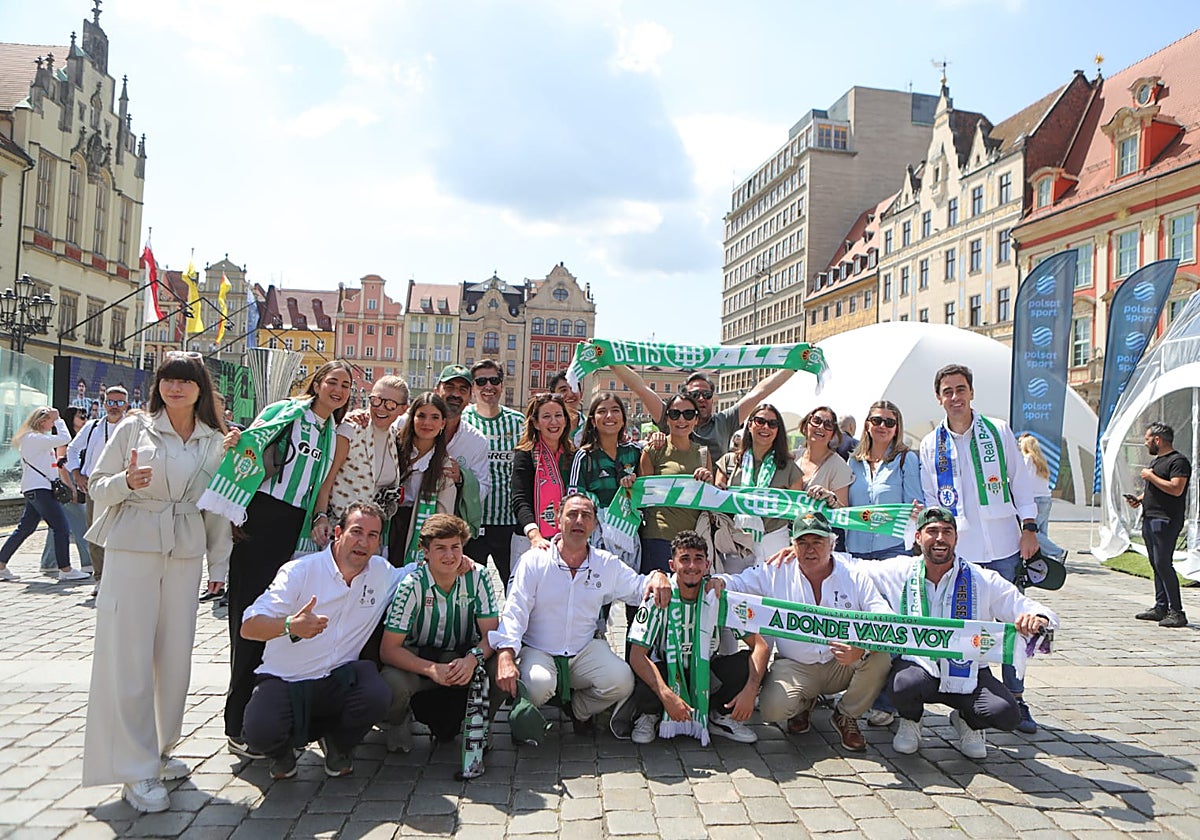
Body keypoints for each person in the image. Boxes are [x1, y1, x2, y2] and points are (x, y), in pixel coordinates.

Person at [81, 353, 232, 812]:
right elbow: (96, 485)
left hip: (184, 553)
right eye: (169, 379)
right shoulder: (134, 427)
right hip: (133, 548)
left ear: (200, 388)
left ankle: (159, 750)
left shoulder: (215, 440)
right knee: (128, 655)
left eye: (186, 381)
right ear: (159, 385)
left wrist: (218, 567)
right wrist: (126, 481)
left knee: (174, 659)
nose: (176, 388)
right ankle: (134, 766)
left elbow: (218, 505)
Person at [222, 360, 353, 760]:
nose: (338, 389)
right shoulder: (285, 411)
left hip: (294, 527)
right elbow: (249, 444)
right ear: (317, 383)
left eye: (346, 385)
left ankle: (263, 714)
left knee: (281, 619)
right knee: (247, 619)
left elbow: (323, 487)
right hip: (262, 515)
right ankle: (236, 722)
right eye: (332, 381)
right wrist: (234, 446)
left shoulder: (332, 434)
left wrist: (320, 517)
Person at [864, 507, 1059, 760]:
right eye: (931, 531)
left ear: (956, 538)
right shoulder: (900, 570)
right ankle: (911, 721)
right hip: (921, 668)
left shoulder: (982, 578)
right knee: (902, 685)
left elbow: (1027, 607)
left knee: (1006, 714)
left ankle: (968, 722)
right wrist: (804, 555)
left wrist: (1038, 618)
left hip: (970, 671)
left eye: (947, 532)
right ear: (918, 537)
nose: (940, 538)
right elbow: (853, 569)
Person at [918, 363, 1042, 733]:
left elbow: (1020, 482)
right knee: (967, 626)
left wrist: (1030, 528)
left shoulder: (998, 430)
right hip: (962, 551)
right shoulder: (930, 444)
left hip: (1003, 543)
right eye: (947, 392)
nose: (954, 397)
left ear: (971, 392)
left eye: (960, 389)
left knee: (1012, 624)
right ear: (939, 398)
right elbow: (929, 500)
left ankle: (1017, 700)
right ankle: (972, 697)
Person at [239, 502, 397, 780]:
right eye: (357, 531)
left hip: (338, 678)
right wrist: (290, 625)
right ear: (338, 532)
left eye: (373, 535)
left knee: (377, 694)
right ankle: (282, 753)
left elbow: (417, 573)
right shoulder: (299, 572)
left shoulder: (381, 572)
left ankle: (338, 745)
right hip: (286, 679)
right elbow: (249, 626)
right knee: (259, 731)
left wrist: (459, 562)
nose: (363, 542)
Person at [490, 494, 671, 735]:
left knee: (622, 680)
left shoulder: (605, 563)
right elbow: (515, 611)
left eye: (586, 516)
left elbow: (639, 587)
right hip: (538, 650)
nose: (579, 521)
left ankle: (579, 710)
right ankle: (531, 712)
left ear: (595, 524)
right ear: (558, 520)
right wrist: (505, 655)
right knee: (537, 686)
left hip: (583, 650)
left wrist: (658, 575)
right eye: (572, 514)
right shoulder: (533, 561)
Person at [712, 510, 891, 752]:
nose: (810, 550)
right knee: (772, 708)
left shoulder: (854, 573)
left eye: (817, 541)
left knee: (880, 657)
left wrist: (860, 648)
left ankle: (846, 715)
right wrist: (720, 581)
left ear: (832, 543)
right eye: (802, 542)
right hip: (796, 665)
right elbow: (740, 582)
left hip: (841, 663)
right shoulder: (775, 570)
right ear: (792, 546)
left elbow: (883, 616)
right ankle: (803, 704)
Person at [621, 530, 769, 745]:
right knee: (643, 672)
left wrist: (750, 691)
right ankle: (650, 715)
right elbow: (636, 655)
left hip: (704, 673)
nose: (692, 566)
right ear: (672, 565)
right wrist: (667, 695)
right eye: (685, 559)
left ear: (707, 565)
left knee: (747, 666)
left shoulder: (717, 596)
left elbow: (761, 647)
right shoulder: (659, 595)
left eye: (698, 559)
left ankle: (718, 716)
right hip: (668, 672)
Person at [380, 514, 501, 773]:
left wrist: (471, 660)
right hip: (419, 659)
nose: (450, 556)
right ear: (424, 551)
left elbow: (492, 636)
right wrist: (430, 669)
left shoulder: (478, 576)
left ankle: (482, 723)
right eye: (440, 548)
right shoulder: (411, 585)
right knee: (393, 683)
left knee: (502, 668)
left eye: (455, 547)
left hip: (462, 658)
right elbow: (388, 650)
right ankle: (398, 720)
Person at [614, 368, 796, 461]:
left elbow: (759, 392)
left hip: (714, 504)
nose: (701, 399)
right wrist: (610, 361)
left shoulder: (724, 421)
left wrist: (793, 367)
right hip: (678, 504)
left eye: (706, 395)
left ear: (713, 399)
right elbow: (641, 388)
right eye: (694, 395)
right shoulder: (672, 417)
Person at [313, 375, 410, 546]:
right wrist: (320, 517)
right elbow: (326, 480)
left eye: (390, 404)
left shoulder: (395, 437)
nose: (381, 408)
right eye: (376, 400)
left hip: (375, 535)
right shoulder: (351, 429)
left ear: (403, 409)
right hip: (340, 533)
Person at [0, 407, 88, 583]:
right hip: (39, 490)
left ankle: (1, 565)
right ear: (42, 422)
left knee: (25, 528)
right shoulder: (34, 438)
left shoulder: (35, 439)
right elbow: (65, 438)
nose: (52, 424)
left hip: (37, 489)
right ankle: (65, 569)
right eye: (50, 421)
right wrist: (60, 420)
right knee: (61, 527)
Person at [461, 360, 526, 583]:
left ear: (502, 384)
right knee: (469, 585)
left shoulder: (518, 422)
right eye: (481, 381)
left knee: (515, 585)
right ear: (473, 387)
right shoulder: (462, 420)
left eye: (494, 380)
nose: (488, 386)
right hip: (471, 522)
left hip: (507, 521)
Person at [715, 402, 805, 560]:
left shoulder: (789, 468)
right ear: (749, 424)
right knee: (732, 585)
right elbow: (717, 503)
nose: (766, 427)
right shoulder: (729, 462)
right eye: (760, 421)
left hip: (774, 540)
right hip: (736, 539)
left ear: (778, 430)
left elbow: (797, 513)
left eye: (772, 424)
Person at [639, 393, 714, 574]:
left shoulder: (703, 453)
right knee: (659, 595)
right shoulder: (653, 450)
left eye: (688, 414)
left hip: (693, 539)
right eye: (675, 414)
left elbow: (711, 496)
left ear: (696, 419)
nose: (681, 419)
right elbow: (641, 496)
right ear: (667, 419)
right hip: (658, 536)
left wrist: (707, 480)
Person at [567, 392, 644, 569]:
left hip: (630, 533)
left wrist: (634, 485)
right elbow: (573, 496)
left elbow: (647, 487)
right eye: (602, 411)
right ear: (593, 420)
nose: (609, 416)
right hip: (596, 535)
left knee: (630, 589)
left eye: (615, 410)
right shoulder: (584, 456)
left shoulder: (635, 452)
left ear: (623, 419)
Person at [1126, 423, 1191, 628]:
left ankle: (1177, 611)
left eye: (1147, 439)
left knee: (1164, 563)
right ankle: (1160, 606)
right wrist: (1140, 499)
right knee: (1155, 563)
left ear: (1157, 439)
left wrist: (1150, 476)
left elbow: (1176, 489)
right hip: (1150, 516)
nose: (1145, 443)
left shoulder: (1178, 461)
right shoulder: (1157, 461)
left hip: (1166, 519)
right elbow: (1157, 489)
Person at [66, 385, 131, 592]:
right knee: (96, 533)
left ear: (126, 405)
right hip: (97, 487)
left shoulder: (132, 427)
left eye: (119, 402)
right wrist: (76, 473)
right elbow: (73, 449)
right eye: (110, 402)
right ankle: (100, 578)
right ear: (104, 404)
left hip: (124, 487)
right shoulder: (93, 426)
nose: (114, 407)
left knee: (123, 533)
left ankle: (121, 577)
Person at [389, 393, 459, 565]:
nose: (427, 423)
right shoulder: (392, 448)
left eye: (434, 417)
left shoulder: (444, 466)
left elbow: (443, 516)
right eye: (421, 416)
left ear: (443, 423)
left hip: (418, 527)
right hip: (388, 521)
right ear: (412, 418)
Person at [847, 401, 922, 560]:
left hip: (894, 548)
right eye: (876, 420)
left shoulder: (906, 459)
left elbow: (914, 502)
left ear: (896, 429)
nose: (882, 426)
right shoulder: (853, 462)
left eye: (889, 423)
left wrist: (917, 511)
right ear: (867, 425)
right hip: (855, 550)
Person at [511, 393, 576, 564]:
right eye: (546, 416)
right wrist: (534, 536)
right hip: (530, 539)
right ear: (536, 423)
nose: (553, 422)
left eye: (558, 415)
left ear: (565, 420)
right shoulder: (525, 455)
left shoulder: (573, 455)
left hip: (566, 540)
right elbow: (520, 499)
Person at [40, 407, 93, 577]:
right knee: (82, 523)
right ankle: (89, 562)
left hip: (72, 485)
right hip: (67, 486)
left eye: (85, 416)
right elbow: (61, 466)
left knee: (58, 525)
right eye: (80, 416)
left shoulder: (82, 439)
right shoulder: (66, 442)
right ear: (72, 419)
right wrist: (71, 488)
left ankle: (49, 562)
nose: (84, 419)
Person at [432, 364, 492, 507]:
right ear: (436, 391)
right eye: (449, 387)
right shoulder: (413, 424)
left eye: (462, 389)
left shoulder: (476, 441)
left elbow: (483, 490)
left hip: (450, 520)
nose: (456, 394)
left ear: (470, 396)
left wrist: (461, 478)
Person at [1018, 434, 1066, 563]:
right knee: (1042, 531)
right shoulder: (1041, 461)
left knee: (1032, 531)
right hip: (1045, 498)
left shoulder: (1028, 459)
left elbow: (1023, 479)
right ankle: (1045, 558)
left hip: (1035, 499)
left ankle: (1057, 552)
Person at [795, 406, 853, 509]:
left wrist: (831, 498)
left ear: (833, 435)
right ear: (805, 426)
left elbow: (843, 509)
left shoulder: (839, 466)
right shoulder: (792, 457)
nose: (821, 427)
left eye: (828, 425)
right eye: (816, 421)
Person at [546, 370, 585, 444]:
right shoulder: (544, 425)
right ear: (552, 395)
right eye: (563, 390)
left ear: (581, 394)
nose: (570, 394)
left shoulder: (590, 426)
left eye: (574, 388)